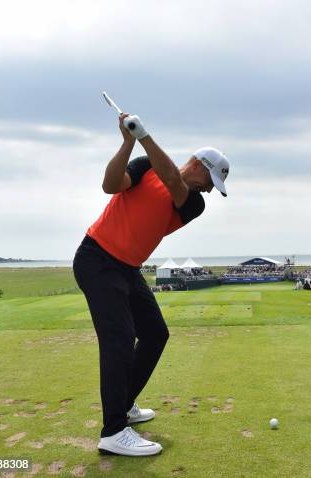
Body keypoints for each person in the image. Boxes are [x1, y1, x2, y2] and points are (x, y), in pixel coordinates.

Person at [73, 113, 229, 456]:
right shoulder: (144, 165)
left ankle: (124, 402)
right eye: (211, 180)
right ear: (200, 166)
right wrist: (128, 142)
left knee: (155, 333)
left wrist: (143, 134)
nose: (209, 190)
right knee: (119, 339)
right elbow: (110, 185)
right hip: (97, 259)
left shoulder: (194, 203)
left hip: (127, 269)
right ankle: (113, 431)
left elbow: (174, 180)